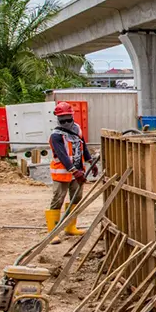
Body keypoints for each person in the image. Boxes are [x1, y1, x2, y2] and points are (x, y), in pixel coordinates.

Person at [46, 101, 92, 240]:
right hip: (62, 174)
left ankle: (71, 227)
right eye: (62, 120)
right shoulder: (56, 135)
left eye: (68, 119)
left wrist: (90, 161)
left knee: (76, 199)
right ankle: (53, 233)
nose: (66, 122)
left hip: (77, 172)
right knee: (57, 200)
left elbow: (83, 146)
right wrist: (74, 171)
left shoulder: (77, 129)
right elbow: (62, 155)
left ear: (72, 116)